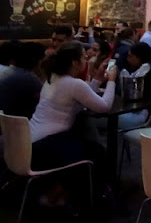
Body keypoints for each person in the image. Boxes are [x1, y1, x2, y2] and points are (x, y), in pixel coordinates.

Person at [29, 42, 117, 204]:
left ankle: (65, 192)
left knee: (90, 146)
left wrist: (97, 79)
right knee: (97, 151)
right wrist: (112, 80)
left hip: (31, 142)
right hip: (48, 146)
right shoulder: (73, 83)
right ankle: (92, 198)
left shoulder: (52, 78)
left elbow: (83, 97)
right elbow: (104, 106)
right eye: (83, 57)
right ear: (75, 63)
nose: (87, 59)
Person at [120, 43, 151, 129]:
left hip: (143, 113)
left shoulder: (146, 73)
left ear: (140, 57)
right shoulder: (138, 70)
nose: (128, 59)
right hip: (136, 110)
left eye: (130, 56)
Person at [0, 42, 44, 119]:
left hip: (6, 120)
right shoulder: (30, 80)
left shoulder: (9, 71)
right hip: (17, 122)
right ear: (38, 61)